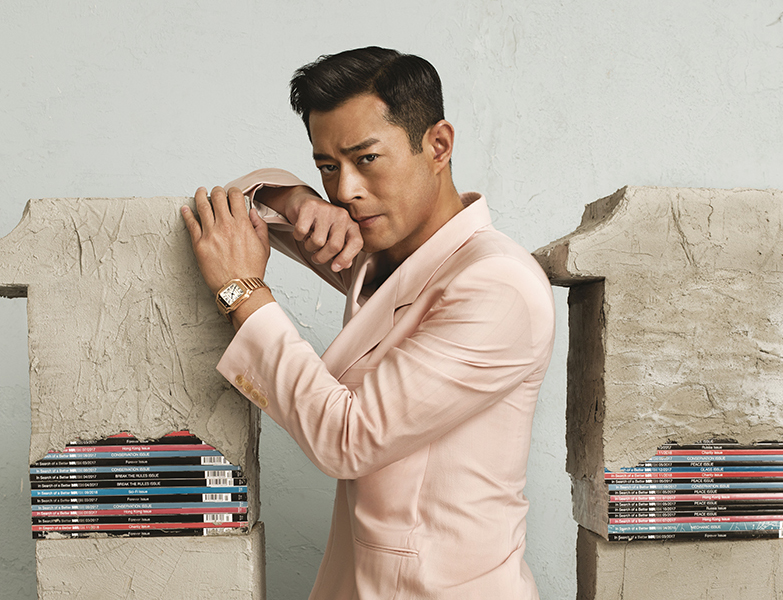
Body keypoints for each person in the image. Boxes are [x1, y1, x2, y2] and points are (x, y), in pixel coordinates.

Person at [181, 46, 555, 600]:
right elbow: (231, 210)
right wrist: (298, 198)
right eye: (328, 167)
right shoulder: (387, 252)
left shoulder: (497, 285)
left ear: (438, 145)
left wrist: (243, 295)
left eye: (367, 159)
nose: (346, 191)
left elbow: (347, 439)